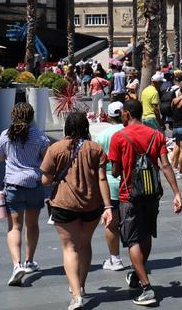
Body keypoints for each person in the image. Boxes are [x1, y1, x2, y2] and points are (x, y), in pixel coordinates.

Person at [108, 99, 182, 306]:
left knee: (132, 240)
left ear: (126, 114)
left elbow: (115, 171)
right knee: (146, 234)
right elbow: (165, 165)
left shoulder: (119, 137)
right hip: (152, 194)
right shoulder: (156, 135)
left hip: (129, 196)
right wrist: (176, 193)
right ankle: (138, 274)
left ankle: (147, 288)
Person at [41, 113, 113, 309]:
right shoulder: (95, 148)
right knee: (84, 244)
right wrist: (108, 207)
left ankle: (76, 295)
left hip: (64, 204)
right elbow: (102, 179)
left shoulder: (55, 148)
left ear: (66, 127)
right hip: (92, 204)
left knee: (69, 248)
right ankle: (81, 285)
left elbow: (45, 180)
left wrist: (57, 176)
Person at [0, 103, 50, 287]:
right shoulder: (40, 136)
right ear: (31, 116)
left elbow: (0, 157)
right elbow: (46, 158)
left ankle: (16, 264)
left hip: (12, 185)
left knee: (15, 227)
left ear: (13, 115)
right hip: (33, 183)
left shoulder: (5, 135)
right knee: (32, 225)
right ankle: (29, 261)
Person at [93, 102, 128, 272]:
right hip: (130, 182)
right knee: (131, 222)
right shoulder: (130, 132)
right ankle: (137, 256)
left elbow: (96, 161)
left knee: (111, 223)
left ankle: (115, 259)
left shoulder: (102, 135)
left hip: (109, 185)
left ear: (108, 115)